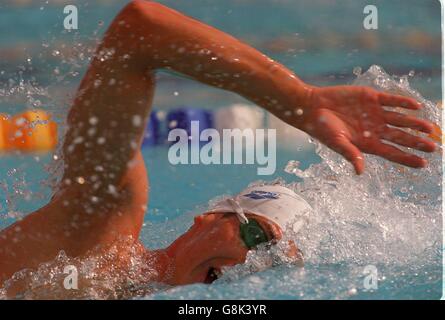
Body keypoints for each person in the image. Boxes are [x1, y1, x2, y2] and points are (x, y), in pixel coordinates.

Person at [0, 1, 436, 298]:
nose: (251, 262)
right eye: (255, 236)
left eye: (276, 266)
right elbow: (138, 31)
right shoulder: (100, 227)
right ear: (207, 217)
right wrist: (300, 100)